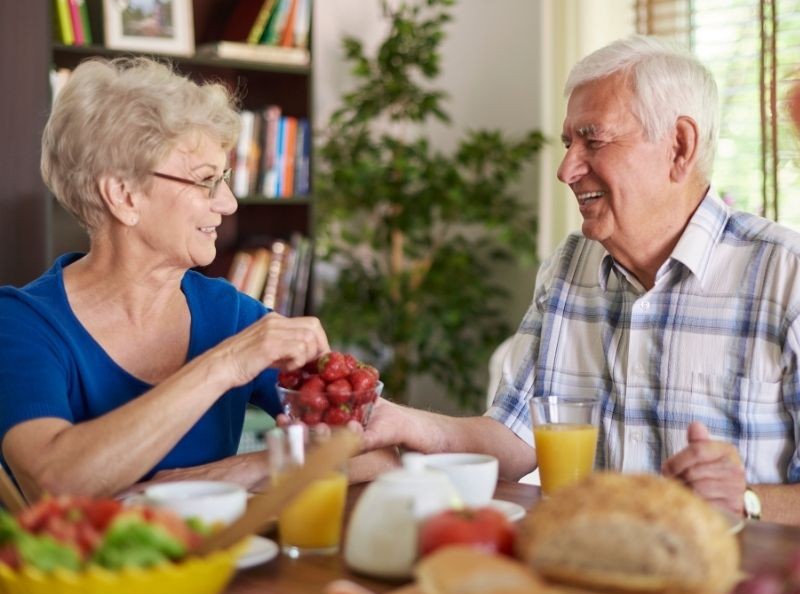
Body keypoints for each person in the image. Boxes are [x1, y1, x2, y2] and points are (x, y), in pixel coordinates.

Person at [359, 35, 800, 525]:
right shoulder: (569, 266)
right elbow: (513, 435)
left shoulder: (787, 276)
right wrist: (402, 422)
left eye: (594, 140)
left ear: (679, 145)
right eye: (570, 143)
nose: (566, 169)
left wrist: (747, 500)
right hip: (583, 556)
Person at [0, 56, 337, 501]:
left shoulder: (230, 313)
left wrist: (236, 471)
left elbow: (365, 443)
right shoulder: (21, 322)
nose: (229, 203)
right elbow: (54, 482)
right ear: (124, 196)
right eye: (206, 180)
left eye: (224, 178)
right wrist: (225, 364)